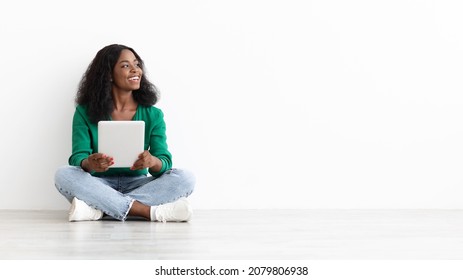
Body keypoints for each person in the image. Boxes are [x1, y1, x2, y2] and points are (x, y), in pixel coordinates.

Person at [54, 44, 195, 222]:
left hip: (138, 184)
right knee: (64, 174)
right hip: (98, 184)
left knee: (185, 178)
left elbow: (165, 162)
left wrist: (152, 161)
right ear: (108, 75)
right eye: (125, 65)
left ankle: (99, 209)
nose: (135, 70)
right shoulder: (84, 112)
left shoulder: (154, 114)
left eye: (136, 64)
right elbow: (77, 159)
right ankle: (148, 212)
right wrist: (90, 163)